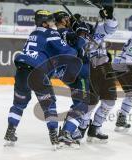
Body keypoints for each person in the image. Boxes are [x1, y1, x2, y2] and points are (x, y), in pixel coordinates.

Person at [3, 10, 81, 150]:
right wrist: (77, 46)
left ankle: (10, 132)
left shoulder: (33, 34)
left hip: (21, 72)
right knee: (49, 105)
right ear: (44, 23)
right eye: (50, 21)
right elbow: (68, 52)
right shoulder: (50, 33)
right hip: (37, 72)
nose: (52, 24)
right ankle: (53, 137)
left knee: (18, 104)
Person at [73, 5, 118, 143]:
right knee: (91, 101)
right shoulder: (74, 37)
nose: (85, 28)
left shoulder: (98, 29)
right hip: (89, 69)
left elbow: (111, 28)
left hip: (105, 68)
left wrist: (109, 16)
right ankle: (82, 127)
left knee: (110, 100)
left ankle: (96, 127)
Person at [52, 10, 91, 148]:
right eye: (67, 19)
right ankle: (66, 132)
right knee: (84, 103)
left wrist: (80, 27)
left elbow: (79, 38)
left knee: (79, 102)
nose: (69, 20)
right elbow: (79, 42)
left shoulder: (58, 33)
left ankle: (68, 131)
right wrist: (81, 30)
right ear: (62, 20)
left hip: (67, 71)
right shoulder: (62, 33)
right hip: (76, 71)